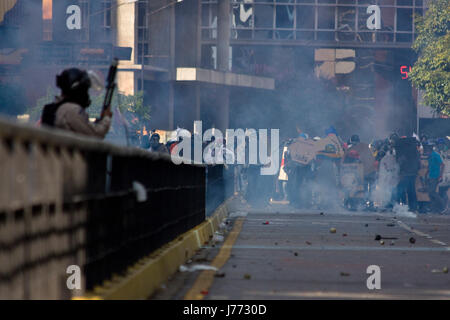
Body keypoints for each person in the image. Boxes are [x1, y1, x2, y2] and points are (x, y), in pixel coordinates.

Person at [42, 68, 112, 138]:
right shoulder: (71, 110)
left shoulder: (58, 107)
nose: (86, 94)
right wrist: (106, 118)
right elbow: (95, 134)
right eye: (85, 90)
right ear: (79, 90)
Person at [425, 145, 446, 213]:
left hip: (435, 176)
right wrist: (426, 173)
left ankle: (443, 205)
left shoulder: (436, 155)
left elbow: (443, 164)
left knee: (432, 192)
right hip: (431, 176)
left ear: (429, 149)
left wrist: (441, 175)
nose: (426, 151)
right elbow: (430, 165)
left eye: (427, 149)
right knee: (430, 193)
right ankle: (434, 209)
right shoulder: (430, 156)